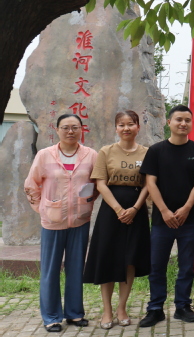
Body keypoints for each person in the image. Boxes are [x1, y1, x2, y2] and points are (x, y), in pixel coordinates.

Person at [24, 113, 97, 333]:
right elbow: (31, 184)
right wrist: (43, 208)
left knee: (76, 268)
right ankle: (51, 317)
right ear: (57, 130)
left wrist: (88, 202)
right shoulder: (45, 155)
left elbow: (97, 183)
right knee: (50, 270)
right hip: (52, 222)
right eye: (65, 127)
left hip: (80, 220)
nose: (70, 131)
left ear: (82, 129)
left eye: (75, 127)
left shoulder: (91, 155)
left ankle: (74, 313)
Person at [138, 105, 194, 327]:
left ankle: (183, 306)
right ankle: (155, 308)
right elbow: (150, 182)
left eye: (187, 120)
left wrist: (187, 207)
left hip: (190, 219)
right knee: (156, 266)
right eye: (179, 119)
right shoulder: (156, 151)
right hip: (162, 220)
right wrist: (164, 210)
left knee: (186, 266)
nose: (183, 123)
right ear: (169, 122)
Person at [83, 111, 150, 329]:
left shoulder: (147, 153)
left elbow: (149, 184)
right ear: (116, 128)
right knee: (107, 258)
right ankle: (107, 311)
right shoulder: (106, 151)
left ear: (138, 127)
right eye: (121, 125)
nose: (126, 128)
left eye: (131, 124)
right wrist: (119, 209)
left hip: (136, 212)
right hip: (111, 212)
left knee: (130, 259)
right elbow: (101, 184)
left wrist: (135, 208)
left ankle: (122, 307)